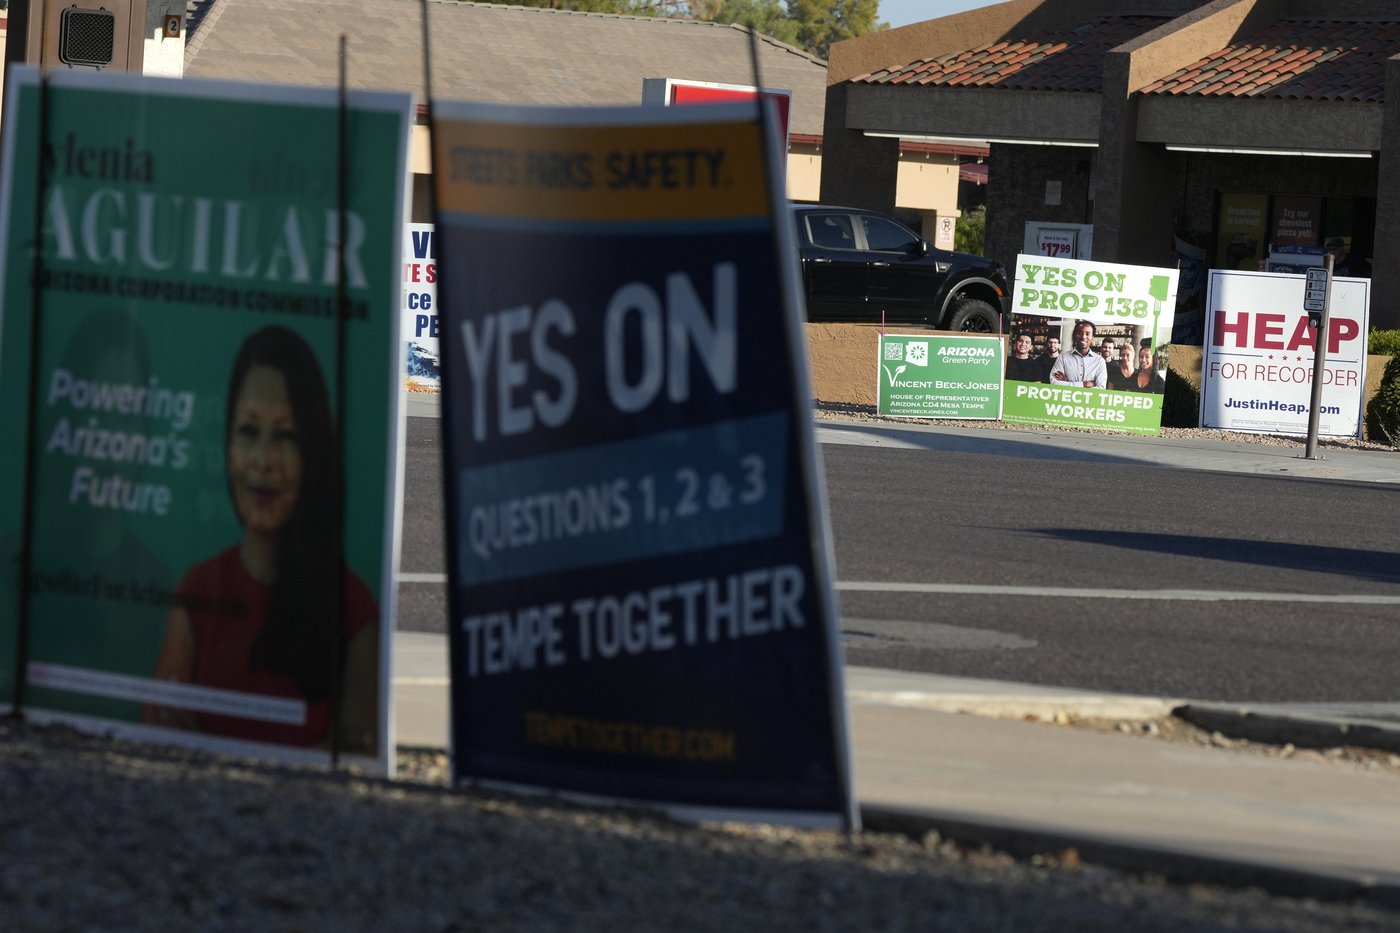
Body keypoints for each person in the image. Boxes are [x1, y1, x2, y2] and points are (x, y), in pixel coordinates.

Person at [144, 326, 379, 755]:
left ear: (314, 454)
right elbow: (159, 731)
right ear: (227, 444)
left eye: (286, 436)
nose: (263, 461)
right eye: (248, 431)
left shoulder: (353, 608)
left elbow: (358, 751)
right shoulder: (198, 591)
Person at [1049, 319, 1107, 388]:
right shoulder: (1062, 358)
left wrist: (1068, 383)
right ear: (1075, 336)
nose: (1083, 337)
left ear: (1092, 338)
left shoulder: (1099, 361)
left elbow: (1101, 388)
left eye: (1087, 334)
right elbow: (1054, 383)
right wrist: (1084, 384)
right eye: (1079, 333)